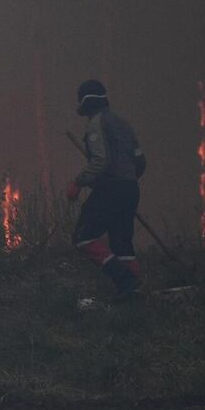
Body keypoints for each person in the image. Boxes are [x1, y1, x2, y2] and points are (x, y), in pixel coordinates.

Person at [66, 79, 146, 298]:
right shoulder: (123, 124)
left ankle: (124, 279)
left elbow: (100, 160)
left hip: (110, 190)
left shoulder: (96, 124)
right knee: (122, 244)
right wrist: (127, 181)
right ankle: (133, 292)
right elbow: (140, 162)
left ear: (85, 104)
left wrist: (78, 182)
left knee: (83, 237)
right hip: (130, 190)